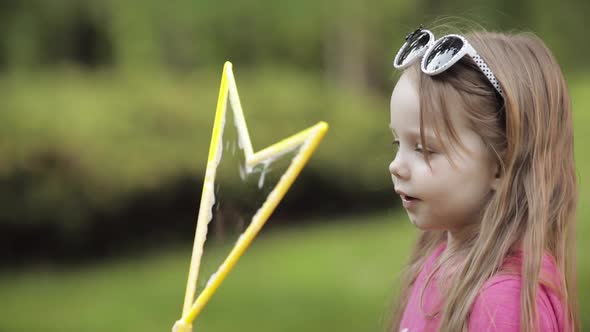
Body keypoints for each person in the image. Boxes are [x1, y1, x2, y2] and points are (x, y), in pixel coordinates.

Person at [388, 26, 578, 332]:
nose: (396, 166)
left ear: (502, 164)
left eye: (424, 149)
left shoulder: (503, 305)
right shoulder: (437, 263)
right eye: (398, 144)